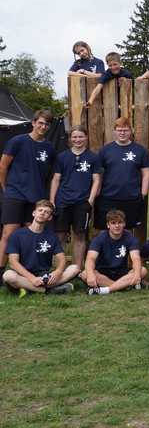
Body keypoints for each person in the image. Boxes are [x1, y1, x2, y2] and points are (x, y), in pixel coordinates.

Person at [0, 110, 55, 281]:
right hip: (14, 194)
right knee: (9, 234)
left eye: (46, 124)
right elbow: (3, 167)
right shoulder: (17, 141)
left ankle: (26, 271)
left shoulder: (49, 147)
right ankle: (1, 272)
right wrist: (6, 189)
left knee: (30, 235)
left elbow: (46, 172)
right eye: (40, 123)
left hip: (36, 198)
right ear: (33, 123)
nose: (43, 126)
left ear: (50, 127)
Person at [49, 124, 101, 269]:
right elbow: (56, 180)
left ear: (86, 137)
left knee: (79, 236)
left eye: (81, 137)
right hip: (62, 202)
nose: (78, 140)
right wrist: (52, 201)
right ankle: (60, 269)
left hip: (82, 203)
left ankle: (76, 269)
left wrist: (89, 201)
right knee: (60, 236)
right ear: (70, 138)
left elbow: (96, 181)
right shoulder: (62, 157)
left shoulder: (93, 157)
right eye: (75, 137)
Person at [3, 201, 79, 297]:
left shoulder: (52, 236)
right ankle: (48, 290)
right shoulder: (16, 235)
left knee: (75, 269)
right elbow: (13, 263)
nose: (42, 213)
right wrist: (32, 278)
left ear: (50, 217)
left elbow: (62, 258)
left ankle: (29, 289)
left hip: (43, 275)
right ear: (34, 213)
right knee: (8, 276)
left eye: (46, 212)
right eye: (40, 210)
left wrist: (58, 272)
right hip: (22, 275)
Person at [94, 117, 149, 230]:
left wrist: (143, 194)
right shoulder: (105, 150)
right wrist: (98, 191)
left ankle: (126, 249)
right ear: (114, 131)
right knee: (104, 230)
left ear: (130, 131)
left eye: (125, 130)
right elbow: (99, 173)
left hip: (131, 198)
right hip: (107, 197)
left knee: (127, 230)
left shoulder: (139, 150)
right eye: (119, 130)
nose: (122, 133)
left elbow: (146, 173)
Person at [82, 209, 146, 295]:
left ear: (124, 223)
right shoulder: (99, 238)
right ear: (108, 225)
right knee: (85, 274)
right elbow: (90, 258)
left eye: (120, 222)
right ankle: (124, 286)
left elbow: (136, 259)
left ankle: (105, 290)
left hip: (121, 270)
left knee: (143, 271)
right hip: (102, 271)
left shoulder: (130, 238)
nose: (117, 226)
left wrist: (137, 273)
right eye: (113, 223)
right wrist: (90, 274)